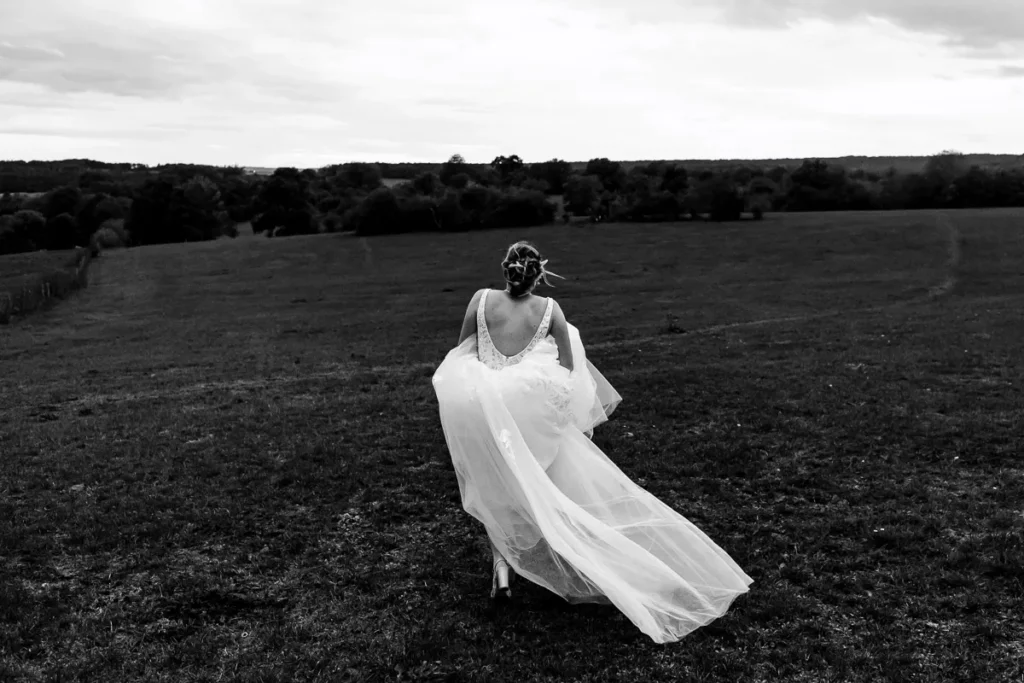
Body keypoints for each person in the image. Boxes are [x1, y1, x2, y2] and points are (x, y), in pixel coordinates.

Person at [432, 240, 753, 644]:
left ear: (506, 269)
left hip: (482, 413)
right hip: (528, 418)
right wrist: (552, 406)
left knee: (494, 488)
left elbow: (463, 352)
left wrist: (486, 389)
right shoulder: (550, 311)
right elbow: (570, 369)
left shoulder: (480, 300)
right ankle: (572, 557)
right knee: (542, 490)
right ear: (538, 273)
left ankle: (501, 568)